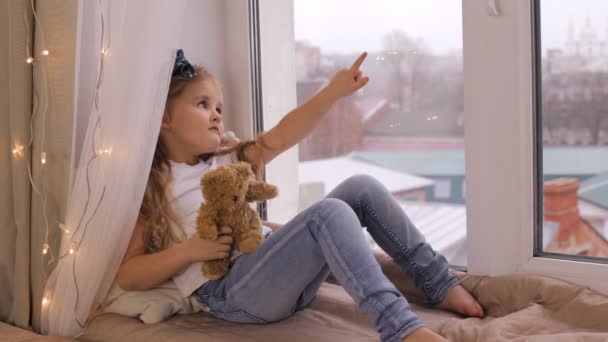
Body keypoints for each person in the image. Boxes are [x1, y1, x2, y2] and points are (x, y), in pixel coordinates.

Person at [116, 49, 484, 342]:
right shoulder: (152, 184)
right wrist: (189, 251)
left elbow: (281, 135)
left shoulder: (226, 157)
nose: (216, 116)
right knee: (328, 213)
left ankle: (437, 281)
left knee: (362, 187)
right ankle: (399, 327)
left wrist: (333, 91)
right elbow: (129, 275)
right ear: (163, 118)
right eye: (202, 105)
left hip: (275, 272)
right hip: (230, 293)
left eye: (219, 108)